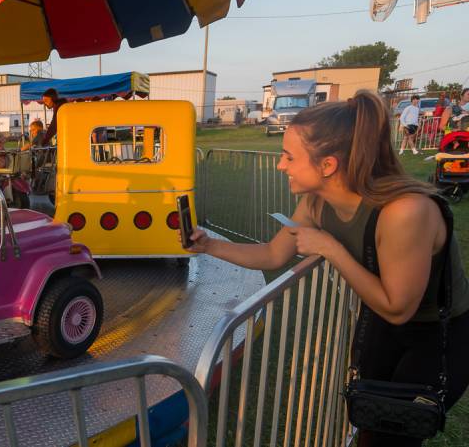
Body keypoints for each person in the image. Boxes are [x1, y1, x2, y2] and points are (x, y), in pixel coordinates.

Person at [185, 91, 469, 447]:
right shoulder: (316, 201)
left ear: (328, 165)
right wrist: (209, 245)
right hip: (381, 324)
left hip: (437, 337)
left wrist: (330, 248)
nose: (280, 165)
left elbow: (398, 307)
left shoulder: (405, 212)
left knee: (392, 438)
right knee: (368, 425)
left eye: (289, 157)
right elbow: (273, 255)